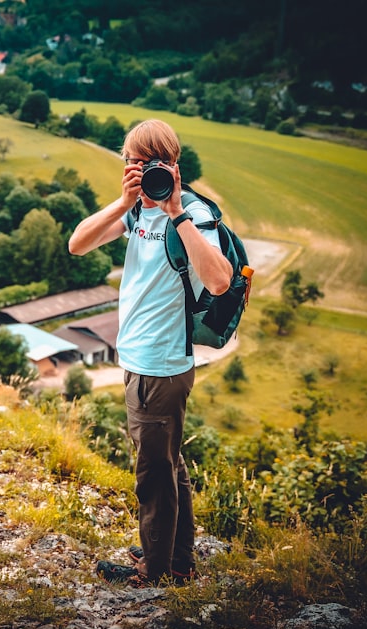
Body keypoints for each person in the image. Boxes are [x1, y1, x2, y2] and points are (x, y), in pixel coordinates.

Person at [68, 119, 232, 586]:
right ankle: (177, 560)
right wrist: (125, 201)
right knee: (168, 464)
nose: (137, 171)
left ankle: (155, 572)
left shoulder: (195, 215)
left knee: (153, 476)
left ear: (171, 166)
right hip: (139, 359)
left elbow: (219, 282)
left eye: (146, 163)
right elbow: (77, 244)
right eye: (130, 163)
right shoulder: (136, 211)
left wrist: (176, 210)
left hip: (160, 365)